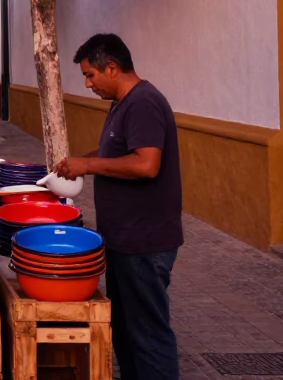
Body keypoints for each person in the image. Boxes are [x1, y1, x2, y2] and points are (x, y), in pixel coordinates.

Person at [54, 33, 182, 380]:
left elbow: (146, 164)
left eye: (90, 75)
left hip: (145, 243)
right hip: (124, 241)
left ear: (112, 68)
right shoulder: (121, 104)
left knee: (148, 334)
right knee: (126, 330)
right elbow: (116, 153)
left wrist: (89, 167)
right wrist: (79, 160)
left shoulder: (144, 103)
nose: (88, 83)